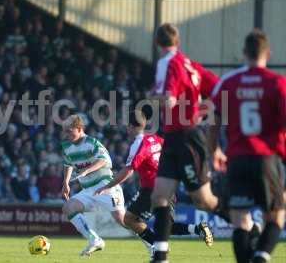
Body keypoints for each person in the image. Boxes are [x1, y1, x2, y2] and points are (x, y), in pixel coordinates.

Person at [149, 23, 228, 263]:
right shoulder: (190, 64)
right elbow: (220, 90)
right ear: (178, 41)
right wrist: (203, 110)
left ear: (157, 43)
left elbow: (169, 101)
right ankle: (160, 256)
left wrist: (151, 98)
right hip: (173, 136)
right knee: (159, 196)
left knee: (204, 200)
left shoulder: (168, 63)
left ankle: (247, 224)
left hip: (186, 137)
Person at [209, 29, 286, 263]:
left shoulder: (228, 83)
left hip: (237, 159)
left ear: (244, 53)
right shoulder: (277, 84)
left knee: (241, 220)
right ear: (268, 53)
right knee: (275, 217)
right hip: (266, 159)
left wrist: (215, 150)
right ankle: (262, 256)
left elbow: (213, 121)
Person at [95, 110, 213, 259]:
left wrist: (107, 186)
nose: (126, 129)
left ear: (131, 126)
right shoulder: (156, 139)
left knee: (129, 219)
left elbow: (128, 170)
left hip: (152, 189)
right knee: (165, 226)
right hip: (168, 185)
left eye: (127, 126)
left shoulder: (138, 144)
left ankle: (156, 248)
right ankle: (197, 229)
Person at [61, 114, 125, 256]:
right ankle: (94, 240)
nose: (66, 134)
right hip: (88, 189)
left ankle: (152, 244)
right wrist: (65, 182)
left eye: (69, 130)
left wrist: (86, 171)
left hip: (106, 186)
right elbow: (68, 163)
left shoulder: (92, 142)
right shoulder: (66, 146)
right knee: (68, 207)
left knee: (123, 220)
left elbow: (104, 160)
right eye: (64, 130)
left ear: (79, 128)